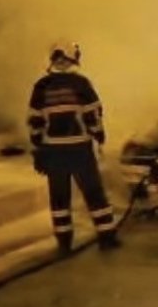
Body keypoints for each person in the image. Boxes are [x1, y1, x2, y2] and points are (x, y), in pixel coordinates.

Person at [27, 39, 120, 257]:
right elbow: (93, 114)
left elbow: (34, 121)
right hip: (80, 149)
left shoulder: (41, 86)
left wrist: (38, 147)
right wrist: (99, 134)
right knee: (94, 194)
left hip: (53, 151)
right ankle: (107, 238)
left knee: (59, 199)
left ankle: (64, 244)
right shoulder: (81, 85)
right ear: (74, 58)